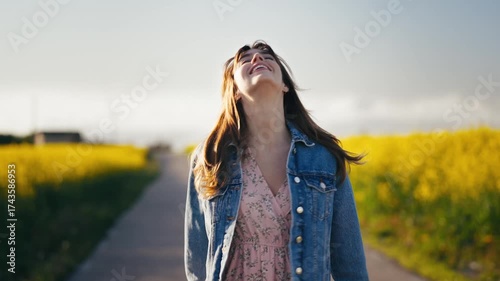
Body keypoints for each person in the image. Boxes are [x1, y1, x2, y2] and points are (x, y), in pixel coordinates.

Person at [184, 40, 369, 281]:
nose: (257, 59)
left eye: (266, 56)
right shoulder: (211, 156)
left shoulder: (323, 157)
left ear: (284, 86)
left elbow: (349, 260)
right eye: (245, 58)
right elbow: (197, 257)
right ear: (236, 90)